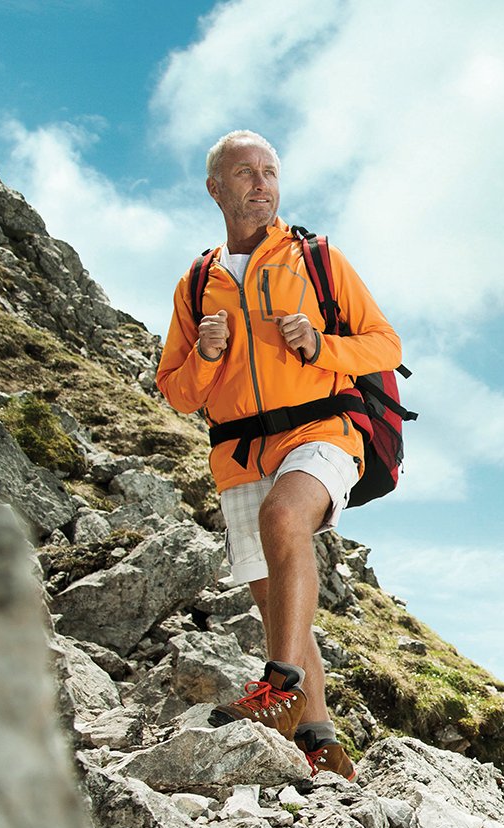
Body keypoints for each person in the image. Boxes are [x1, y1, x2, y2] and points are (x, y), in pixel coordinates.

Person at [155, 130, 402, 781]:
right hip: (238, 452)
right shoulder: (197, 282)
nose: (261, 183)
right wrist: (207, 355)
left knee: (285, 519)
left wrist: (322, 346)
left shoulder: (316, 257)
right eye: (246, 173)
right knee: (277, 608)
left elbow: (384, 343)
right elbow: (177, 392)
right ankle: (320, 743)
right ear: (216, 188)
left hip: (323, 430)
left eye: (270, 171)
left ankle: (280, 684)